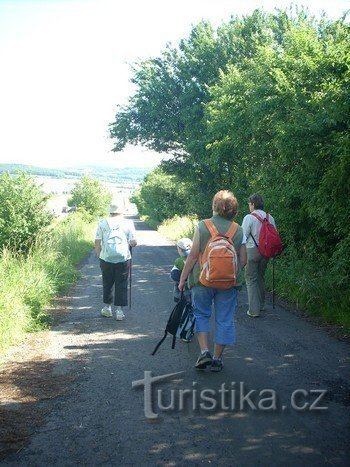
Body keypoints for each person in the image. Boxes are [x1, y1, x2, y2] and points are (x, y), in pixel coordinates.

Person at [178, 190, 247, 372]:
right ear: (234, 209)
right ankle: (217, 359)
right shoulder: (238, 229)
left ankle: (204, 352)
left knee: (201, 314)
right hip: (229, 283)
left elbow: (192, 256)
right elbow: (244, 259)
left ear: (215, 206)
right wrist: (230, 271)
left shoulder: (203, 226)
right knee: (224, 318)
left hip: (202, 281)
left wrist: (183, 279)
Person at [95, 202, 137, 320]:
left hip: (106, 258)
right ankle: (119, 311)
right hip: (123, 258)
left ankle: (107, 308)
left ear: (110, 211)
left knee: (107, 282)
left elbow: (97, 241)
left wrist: (100, 255)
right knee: (122, 283)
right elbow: (134, 242)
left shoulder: (102, 222)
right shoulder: (128, 223)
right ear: (121, 211)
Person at [241, 193, 277, 318]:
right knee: (260, 277)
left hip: (252, 250)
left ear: (253, 204)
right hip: (266, 252)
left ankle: (253, 310)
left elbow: (243, 237)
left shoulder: (249, 218)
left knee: (251, 279)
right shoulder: (269, 217)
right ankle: (261, 305)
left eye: (249, 204)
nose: (249, 206)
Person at [170, 237, 192, 302]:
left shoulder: (179, 261)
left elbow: (174, 275)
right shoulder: (196, 259)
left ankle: (177, 297)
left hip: (182, 285)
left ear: (179, 249)